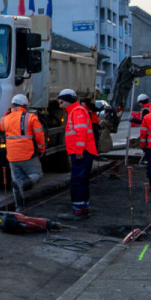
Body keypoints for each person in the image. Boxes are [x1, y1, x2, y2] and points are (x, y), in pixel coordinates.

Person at [0, 93, 46, 210]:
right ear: (25, 105)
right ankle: (23, 184)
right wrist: (41, 149)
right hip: (27, 154)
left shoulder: (5, 119)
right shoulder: (31, 117)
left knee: (16, 181)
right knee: (37, 175)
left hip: (12, 156)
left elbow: (1, 127)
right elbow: (39, 135)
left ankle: (19, 208)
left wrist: (7, 114)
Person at [58, 89, 97, 220]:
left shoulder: (77, 111)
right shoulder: (77, 111)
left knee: (77, 180)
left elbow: (81, 132)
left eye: (62, 102)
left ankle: (78, 209)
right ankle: (83, 207)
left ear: (68, 100)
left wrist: (79, 151)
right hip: (83, 151)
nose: (60, 106)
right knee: (82, 180)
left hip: (81, 152)